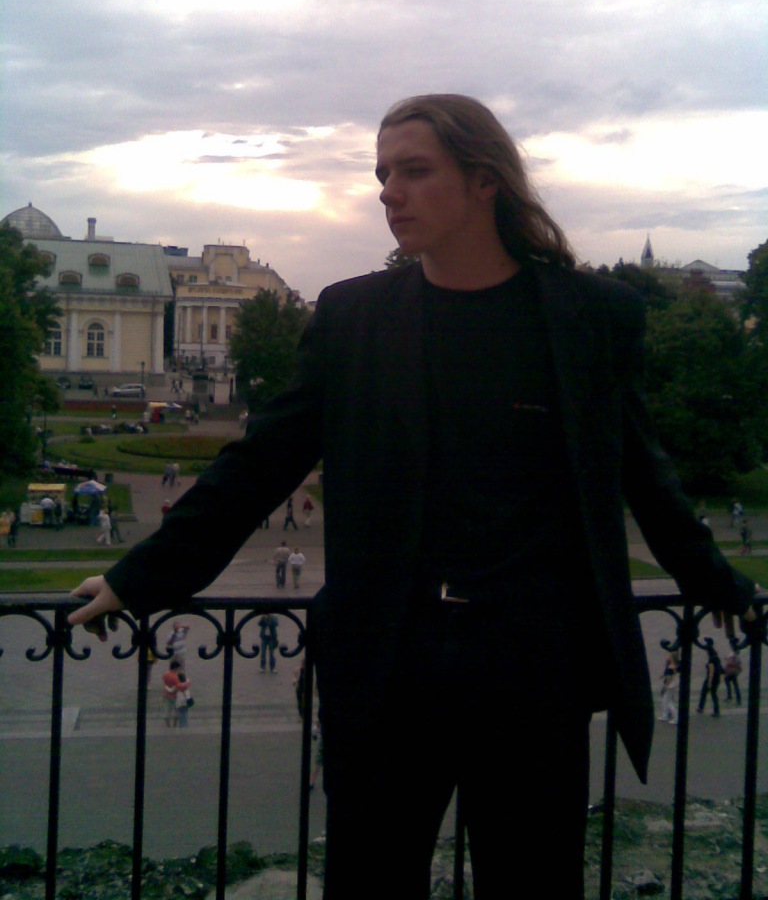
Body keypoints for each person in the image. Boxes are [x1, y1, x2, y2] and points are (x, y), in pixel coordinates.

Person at [69, 94, 757, 899]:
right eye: (382, 174)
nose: (389, 192)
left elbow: (642, 469)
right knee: (370, 880)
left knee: (534, 883)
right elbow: (260, 464)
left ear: (485, 180)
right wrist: (139, 577)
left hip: (534, 670)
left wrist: (715, 580)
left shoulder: (588, 317)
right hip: (390, 666)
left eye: (414, 171)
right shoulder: (355, 315)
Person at [697, 638, 723, 717]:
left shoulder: (711, 659)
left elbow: (711, 671)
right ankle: (704, 708)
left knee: (707, 693)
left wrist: (709, 682)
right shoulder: (716, 658)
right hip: (716, 679)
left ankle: (705, 708)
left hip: (711, 679)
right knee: (712, 694)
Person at [659, 651, 680, 725]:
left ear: (672, 658)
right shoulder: (676, 666)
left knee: (668, 701)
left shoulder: (670, 667)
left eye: (670, 656)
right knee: (666, 700)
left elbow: (669, 678)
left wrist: (665, 687)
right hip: (673, 684)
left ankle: (676, 718)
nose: (668, 657)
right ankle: (664, 715)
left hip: (670, 685)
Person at [162, 660, 184, 728]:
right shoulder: (175, 677)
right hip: (175, 696)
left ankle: (167, 725)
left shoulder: (165, 674)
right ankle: (174, 725)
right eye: (178, 668)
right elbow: (178, 686)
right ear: (175, 668)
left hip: (166, 694)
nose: (178, 670)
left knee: (167, 710)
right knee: (176, 711)